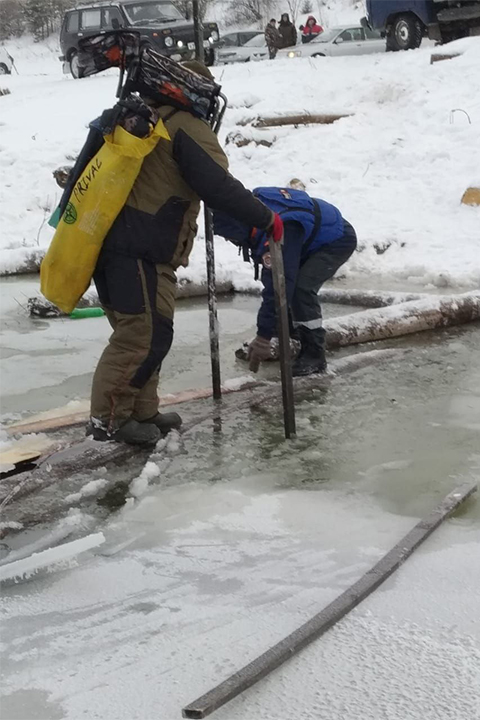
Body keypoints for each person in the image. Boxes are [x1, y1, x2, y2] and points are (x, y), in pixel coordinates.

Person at [89, 62, 276, 446]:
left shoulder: (150, 119)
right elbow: (217, 186)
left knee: (154, 333)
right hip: (137, 248)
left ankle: (141, 410)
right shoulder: (182, 125)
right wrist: (266, 218)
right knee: (138, 338)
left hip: (128, 248)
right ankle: (109, 420)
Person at [213, 187, 357, 377]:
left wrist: (263, 336)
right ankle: (290, 332)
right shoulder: (255, 215)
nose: (230, 241)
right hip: (307, 237)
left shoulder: (281, 226)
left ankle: (314, 353)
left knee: (300, 289)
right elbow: (273, 277)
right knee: (288, 282)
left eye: (231, 237)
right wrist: (271, 328)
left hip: (336, 240)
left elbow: (279, 285)